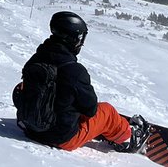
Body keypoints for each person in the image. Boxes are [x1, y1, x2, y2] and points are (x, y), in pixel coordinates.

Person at [13, 11, 150, 153]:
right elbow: (90, 109)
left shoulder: (36, 59)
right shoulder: (74, 70)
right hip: (62, 138)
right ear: (74, 39)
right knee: (107, 112)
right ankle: (129, 138)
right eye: (81, 38)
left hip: (30, 128)